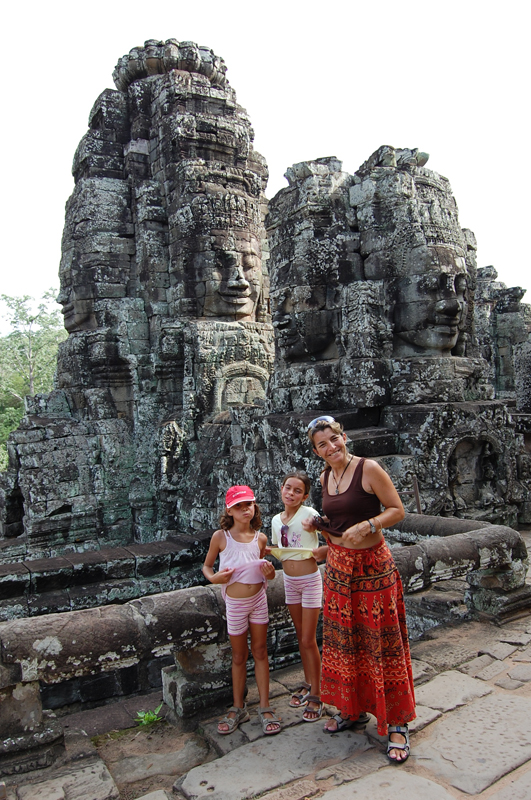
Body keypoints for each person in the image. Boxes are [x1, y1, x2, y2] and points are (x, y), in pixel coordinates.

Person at [302, 416, 416, 763]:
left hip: (372, 570)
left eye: (334, 439)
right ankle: (353, 710)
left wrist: (368, 524)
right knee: (344, 641)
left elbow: (397, 511)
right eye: (323, 444)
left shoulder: (369, 469)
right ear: (317, 451)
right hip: (338, 570)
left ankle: (397, 722)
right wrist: (319, 526)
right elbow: (337, 522)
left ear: (344, 437)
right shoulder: (325, 477)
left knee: (381, 642)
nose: (331, 447)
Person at [202, 485, 281, 736]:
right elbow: (207, 566)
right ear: (230, 510)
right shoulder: (221, 537)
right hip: (235, 603)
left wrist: (270, 573)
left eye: (248, 504)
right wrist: (214, 579)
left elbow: (259, 567)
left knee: (260, 651)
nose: (245, 509)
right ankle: (238, 706)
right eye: (239, 506)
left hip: (258, 598)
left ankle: (266, 705)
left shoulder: (261, 538)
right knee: (238, 656)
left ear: (254, 506)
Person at [269, 472, 326, 721]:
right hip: (289, 581)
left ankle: (318, 692)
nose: (290, 493)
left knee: (308, 638)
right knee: (300, 635)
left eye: (297, 490)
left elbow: (332, 535)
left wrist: (320, 542)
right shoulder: (274, 520)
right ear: (281, 489)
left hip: (310, 580)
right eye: (287, 488)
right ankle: (308, 679)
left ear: (304, 496)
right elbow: (279, 551)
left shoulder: (310, 515)